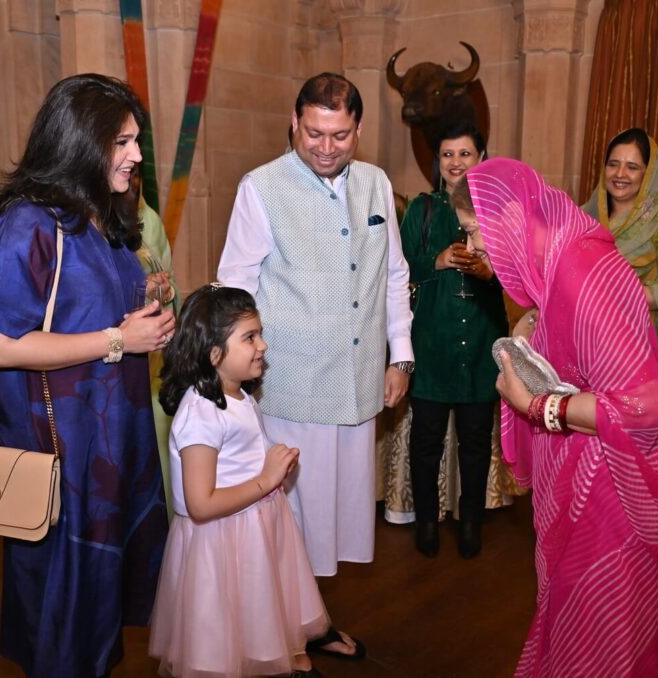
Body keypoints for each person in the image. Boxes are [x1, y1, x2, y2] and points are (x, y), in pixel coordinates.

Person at [455, 157, 658, 676]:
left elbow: (645, 406)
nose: (474, 247)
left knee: (603, 623)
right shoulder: (565, 254)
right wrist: (529, 326)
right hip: (589, 467)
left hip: (614, 485)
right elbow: (567, 322)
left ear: (513, 223)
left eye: (476, 232)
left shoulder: (577, 272)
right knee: (579, 613)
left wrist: (536, 407)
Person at [0, 73, 175, 677]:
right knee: (64, 614)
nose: (137, 155)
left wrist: (147, 312)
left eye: (136, 140)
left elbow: (87, 311)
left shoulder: (100, 219)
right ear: (80, 142)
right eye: (122, 141)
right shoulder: (27, 225)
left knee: (99, 611)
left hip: (112, 449)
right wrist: (121, 338)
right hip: (62, 452)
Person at [217, 71, 411, 659]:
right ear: (295, 122)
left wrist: (399, 354)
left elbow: (394, 276)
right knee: (286, 520)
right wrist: (233, 375)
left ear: (358, 130)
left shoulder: (377, 185)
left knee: (331, 524)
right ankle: (282, 639)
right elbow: (235, 286)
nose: (326, 148)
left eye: (341, 136)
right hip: (291, 386)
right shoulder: (261, 187)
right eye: (315, 133)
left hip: (357, 389)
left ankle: (312, 620)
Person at [149, 285, 331, 677]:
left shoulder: (241, 397)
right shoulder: (200, 415)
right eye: (249, 337)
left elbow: (246, 458)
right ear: (213, 353)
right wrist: (266, 481)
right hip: (220, 540)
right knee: (223, 628)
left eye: (259, 333)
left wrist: (277, 468)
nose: (263, 345)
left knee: (257, 612)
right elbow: (200, 504)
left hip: (255, 529)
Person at [400, 121, 508, 559]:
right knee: (425, 440)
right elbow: (398, 271)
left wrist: (491, 274)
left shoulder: (501, 212)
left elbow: (522, 281)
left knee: (476, 441)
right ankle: (426, 521)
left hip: (482, 344)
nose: (456, 162)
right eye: (448, 154)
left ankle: (471, 523)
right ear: (436, 161)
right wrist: (438, 260)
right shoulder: (422, 209)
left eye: (465, 153)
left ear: (481, 157)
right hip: (431, 344)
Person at [582, 127, 658, 363]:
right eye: (613, 164)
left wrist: (629, 294)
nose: (620, 173)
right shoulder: (585, 217)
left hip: (632, 346)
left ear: (648, 174)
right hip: (582, 337)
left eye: (632, 167)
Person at [129, 163, 180, 518]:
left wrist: (164, 289)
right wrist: (137, 291)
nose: (131, 182)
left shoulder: (149, 219)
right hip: (116, 352)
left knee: (160, 447)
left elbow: (171, 280)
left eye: (136, 175)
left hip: (153, 360)